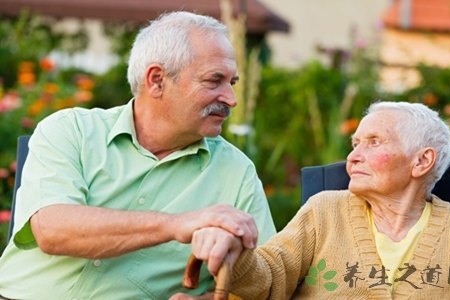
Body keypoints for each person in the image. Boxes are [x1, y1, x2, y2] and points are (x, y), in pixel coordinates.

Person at [0, 11, 276, 299]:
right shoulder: (71, 130)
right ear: (157, 80)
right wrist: (176, 225)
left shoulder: (237, 171)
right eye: (213, 80)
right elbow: (53, 229)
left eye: (231, 83)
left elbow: (269, 277)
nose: (230, 99)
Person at [180, 101, 450, 299]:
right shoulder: (323, 212)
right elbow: (270, 276)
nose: (352, 157)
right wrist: (237, 253)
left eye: (374, 142)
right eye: (355, 144)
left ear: (421, 161)